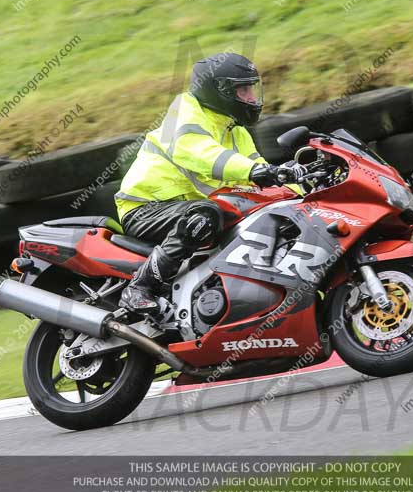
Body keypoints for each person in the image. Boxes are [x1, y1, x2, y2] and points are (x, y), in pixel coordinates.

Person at [115, 53, 302, 312]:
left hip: (184, 208)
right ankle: (139, 287)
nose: (251, 98)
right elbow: (197, 151)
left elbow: (263, 179)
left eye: (252, 89)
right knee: (206, 214)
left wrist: (301, 191)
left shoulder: (236, 131)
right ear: (219, 90)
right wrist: (254, 171)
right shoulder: (184, 110)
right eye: (243, 90)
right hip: (146, 208)